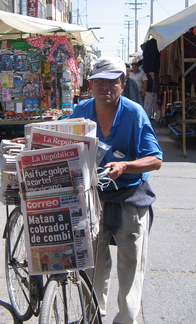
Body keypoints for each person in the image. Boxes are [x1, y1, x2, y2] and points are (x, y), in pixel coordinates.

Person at [69, 57, 163, 324]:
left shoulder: (134, 113)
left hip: (130, 196)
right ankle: (92, 317)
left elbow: (155, 159)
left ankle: (126, 321)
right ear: (90, 85)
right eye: (99, 81)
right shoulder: (81, 110)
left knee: (130, 268)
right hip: (93, 198)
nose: (105, 87)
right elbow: (60, 137)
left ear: (123, 84)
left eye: (112, 82)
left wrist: (126, 165)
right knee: (93, 266)